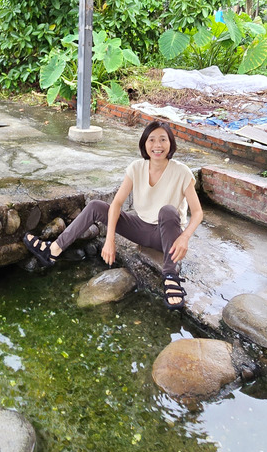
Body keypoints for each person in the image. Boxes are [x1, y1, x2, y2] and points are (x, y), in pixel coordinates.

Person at [23, 120, 203, 310]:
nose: (157, 145)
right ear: (144, 143)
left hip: (167, 236)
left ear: (170, 143)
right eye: (152, 139)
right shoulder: (136, 168)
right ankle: (53, 250)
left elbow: (198, 212)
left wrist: (184, 237)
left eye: (163, 139)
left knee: (168, 211)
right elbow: (116, 204)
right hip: (142, 229)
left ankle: (170, 276)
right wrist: (110, 240)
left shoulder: (181, 171)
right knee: (96, 206)